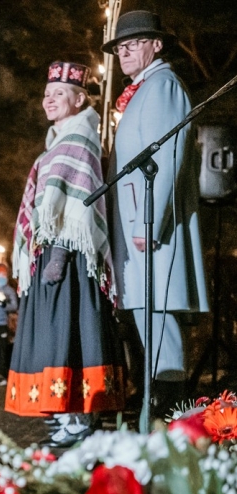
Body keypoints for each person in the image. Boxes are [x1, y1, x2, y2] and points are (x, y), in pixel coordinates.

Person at [6, 61, 125, 444]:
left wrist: (58, 253)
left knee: (71, 333)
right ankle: (63, 412)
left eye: (58, 94)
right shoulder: (57, 140)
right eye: (46, 94)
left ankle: (79, 416)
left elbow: (78, 205)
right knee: (54, 334)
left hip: (69, 257)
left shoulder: (79, 140)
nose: (48, 100)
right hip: (51, 253)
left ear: (78, 99)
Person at [103, 11, 208, 413]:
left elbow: (168, 157)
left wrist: (151, 221)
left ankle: (171, 409)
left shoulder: (163, 86)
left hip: (148, 225)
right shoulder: (143, 87)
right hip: (135, 222)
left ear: (156, 45)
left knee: (159, 315)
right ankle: (158, 403)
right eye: (119, 48)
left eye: (132, 44)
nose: (124, 53)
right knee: (147, 317)